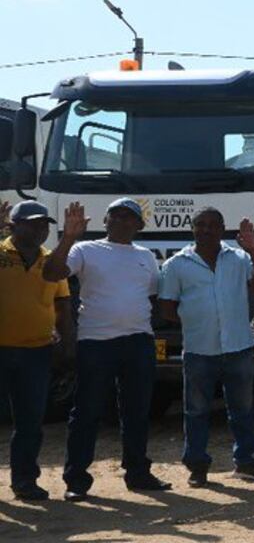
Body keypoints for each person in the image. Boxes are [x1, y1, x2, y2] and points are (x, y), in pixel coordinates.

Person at [42, 198, 170, 499]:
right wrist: (69, 237)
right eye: (115, 216)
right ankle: (76, 481)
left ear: (139, 225)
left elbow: (150, 294)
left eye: (129, 217)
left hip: (138, 341)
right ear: (105, 221)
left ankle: (138, 473)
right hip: (96, 342)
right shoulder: (85, 250)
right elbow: (51, 273)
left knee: (137, 411)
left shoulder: (146, 256)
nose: (121, 221)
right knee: (86, 411)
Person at [156, 208, 254, 487]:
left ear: (223, 229)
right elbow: (167, 308)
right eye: (201, 225)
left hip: (238, 346)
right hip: (199, 349)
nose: (206, 230)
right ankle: (197, 466)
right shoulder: (176, 265)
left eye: (213, 225)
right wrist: (197, 319)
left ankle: (246, 461)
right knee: (196, 411)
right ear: (193, 229)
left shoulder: (239, 258)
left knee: (242, 408)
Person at [0, 201, 72, 501]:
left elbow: (63, 307)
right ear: (12, 225)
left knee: (30, 422)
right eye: (32, 223)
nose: (40, 229)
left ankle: (24, 481)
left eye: (44, 224)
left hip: (36, 353)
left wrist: (69, 347)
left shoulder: (50, 261)